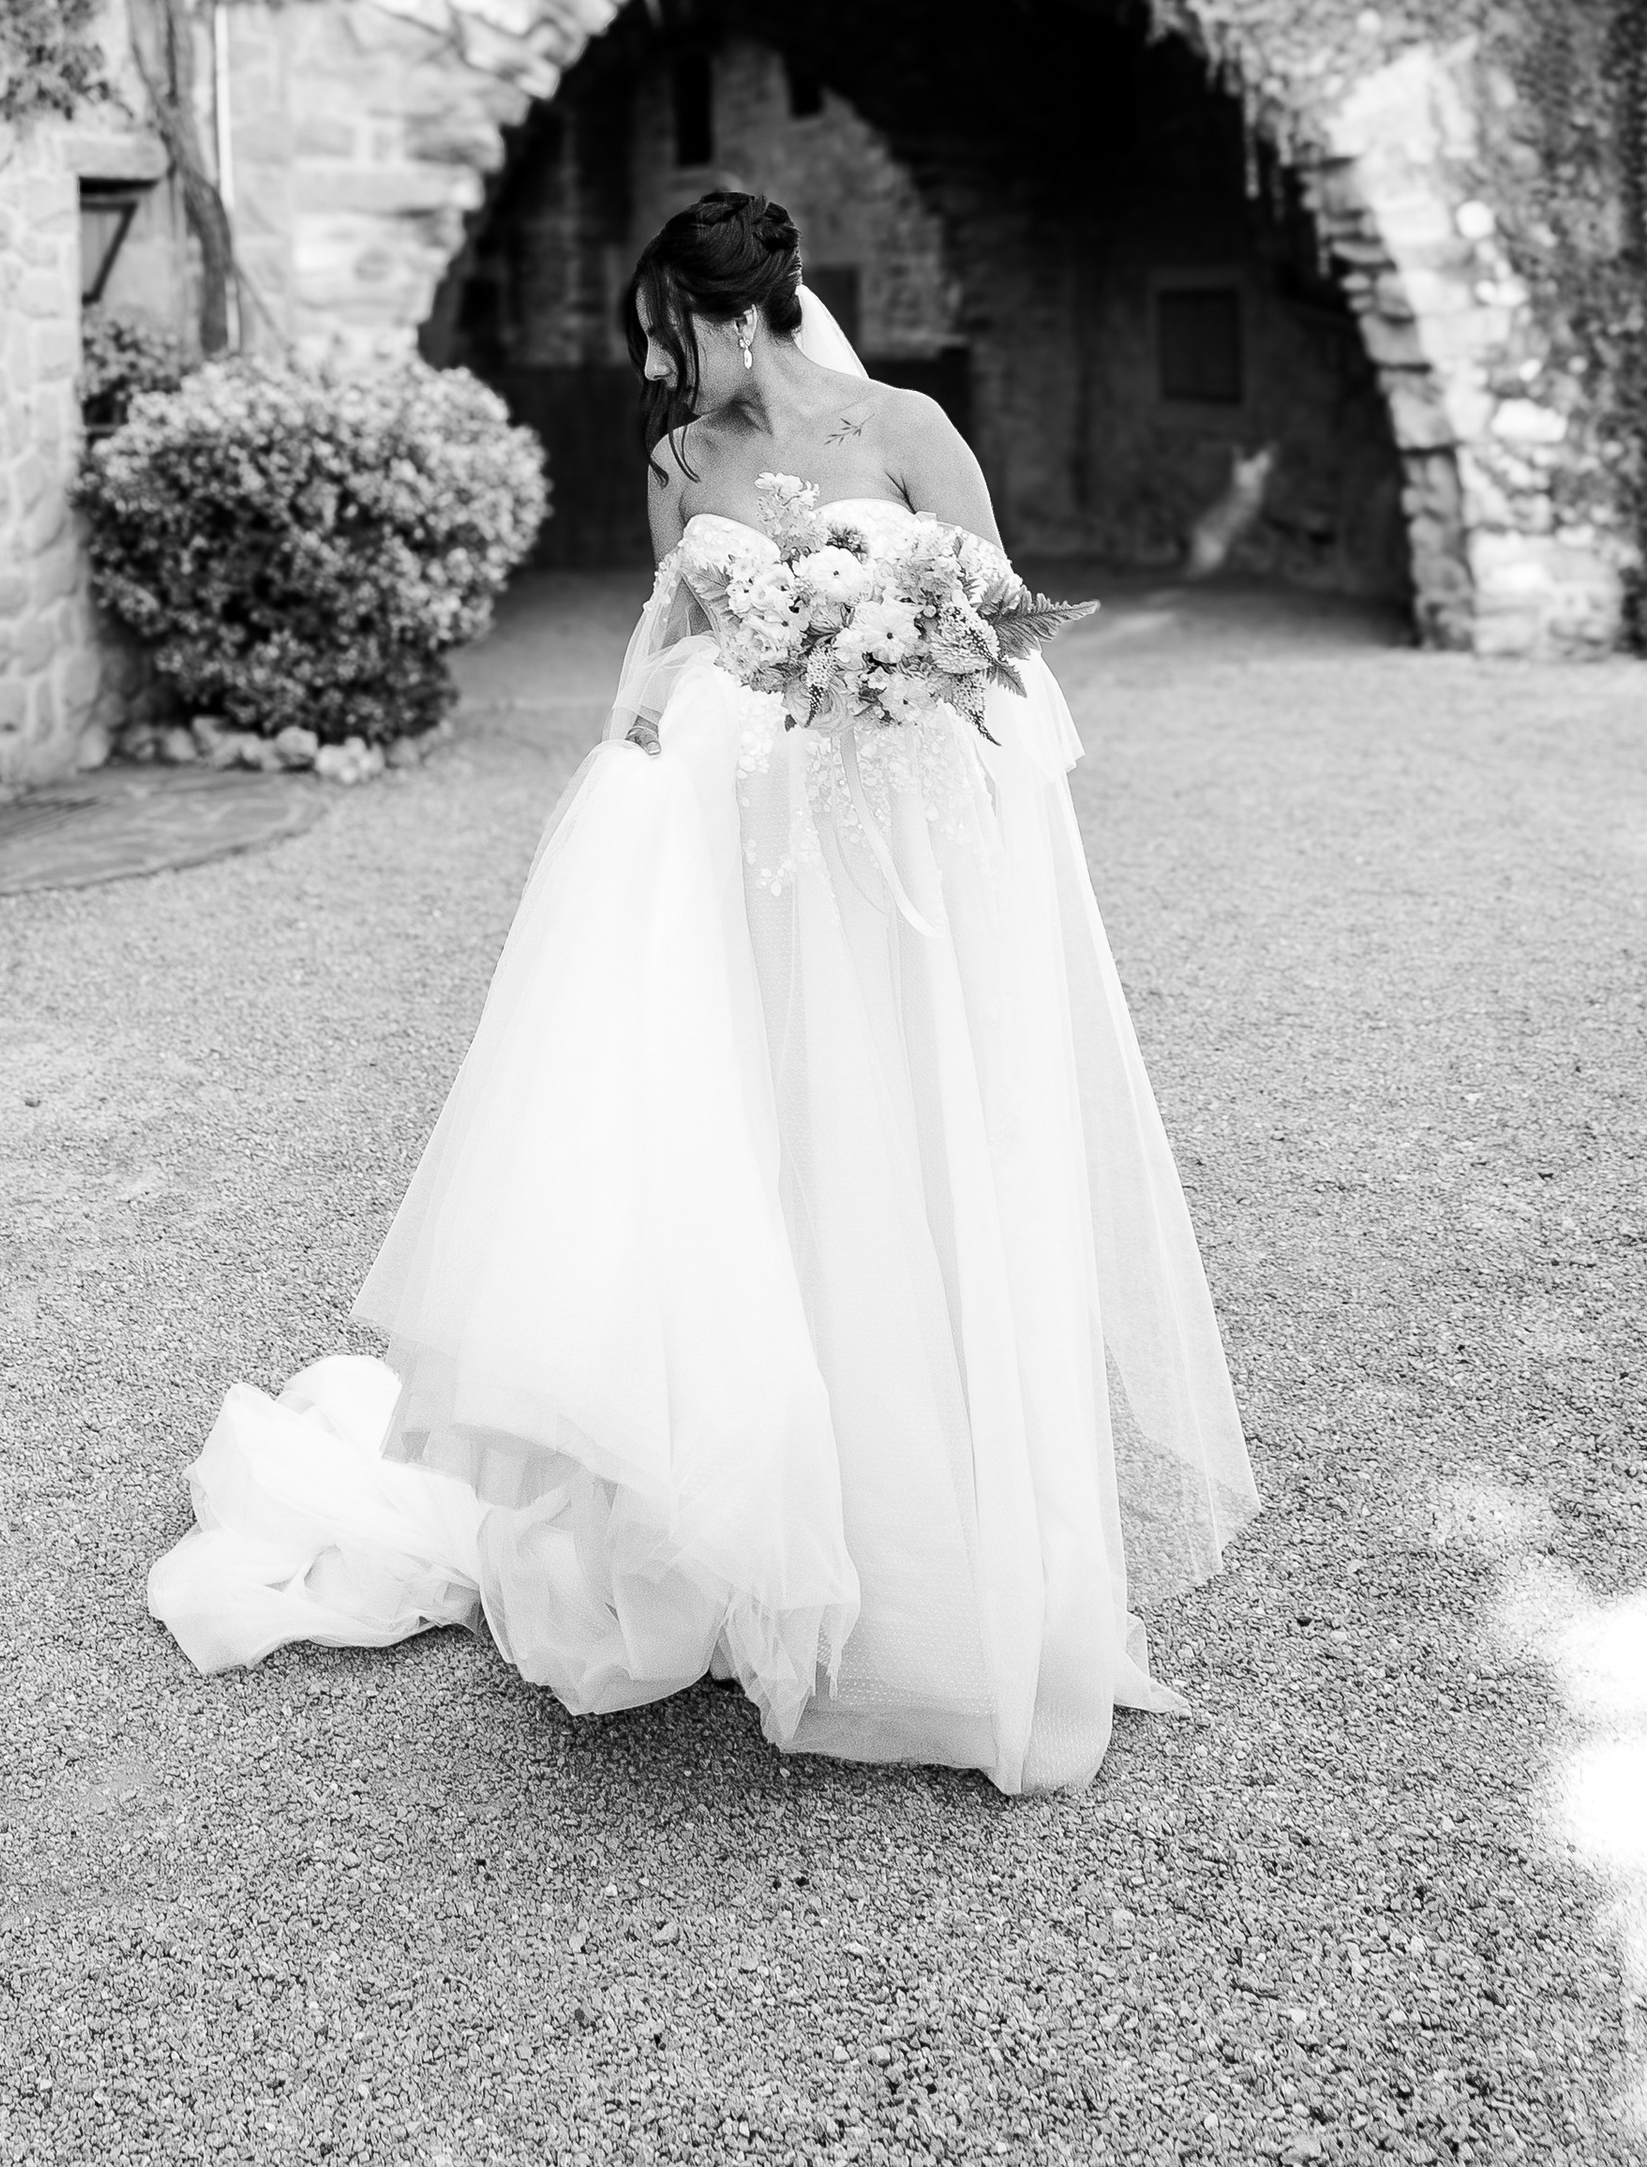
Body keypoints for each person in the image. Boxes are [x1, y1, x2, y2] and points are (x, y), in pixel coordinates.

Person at [148, 191, 1259, 1795]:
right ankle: (762, 1530)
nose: (658, 361)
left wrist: (898, 660)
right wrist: (680, 735)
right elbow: (675, 650)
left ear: (725, 312)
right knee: (773, 1151)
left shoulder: (908, 428)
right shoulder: (682, 463)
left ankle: (941, 1545)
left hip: (906, 859)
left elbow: (1005, 633)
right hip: (754, 850)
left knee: (917, 1161)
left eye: (666, 326)